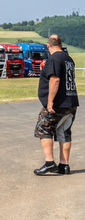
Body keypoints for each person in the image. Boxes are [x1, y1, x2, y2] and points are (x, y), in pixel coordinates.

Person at [33, 35, 79, 175]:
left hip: (58, 103)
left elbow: (55, 79)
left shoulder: (54, 58)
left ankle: (49, 163)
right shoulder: (68, 59)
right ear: (61, 43)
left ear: (48, 46)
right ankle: (64, 165)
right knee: (64, 132)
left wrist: (50, 101)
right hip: (71, 102)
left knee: (44, 128)